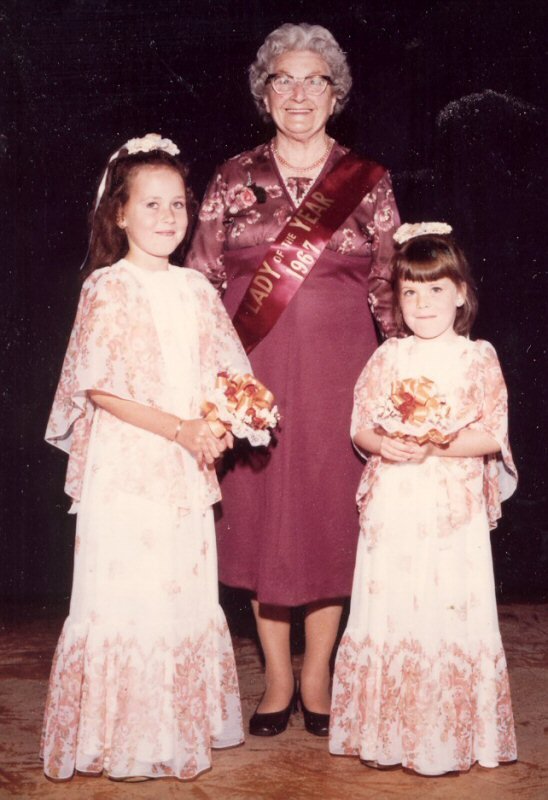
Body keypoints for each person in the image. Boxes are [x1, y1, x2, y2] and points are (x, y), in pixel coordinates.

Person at [185, 22, 400, 737]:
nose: (299, 93)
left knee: (329, 522)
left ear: (335, 94)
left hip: (343, 379)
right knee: (263, 524)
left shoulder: (367, 181)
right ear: (263, 92)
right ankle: (277, 679)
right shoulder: (231, 175)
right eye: (284, 79)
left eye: (315, 80)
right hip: (255, 384)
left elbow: (392, 290)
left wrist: (406, 390)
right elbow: (197, 284)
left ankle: (318, 678)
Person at [41, 134, 252, 782]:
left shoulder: (196, 290)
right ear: (120, 214)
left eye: (178, 205)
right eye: (151, 204)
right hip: (129, 466)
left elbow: (230, 376)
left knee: (180, 590)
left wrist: (223, 422)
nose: (167, 217)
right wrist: (181, 427)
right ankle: (125, 737)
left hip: (183, 468)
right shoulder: (107, 287)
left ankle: (180, 723)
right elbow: (99, 386)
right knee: (129, 594)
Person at [329, 222, 518, 774]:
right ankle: (386, 735)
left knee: (446, 608)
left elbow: (492, 436)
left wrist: (437, 440)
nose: (422, 302)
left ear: (460, 292)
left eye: (436, 289)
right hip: (396, 504)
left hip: (449, 511)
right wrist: (385, 443)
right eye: (410, 291)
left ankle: (450, 737)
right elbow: (360, 428)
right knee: (392, 607)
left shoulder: (478, 357)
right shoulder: (388, 357)